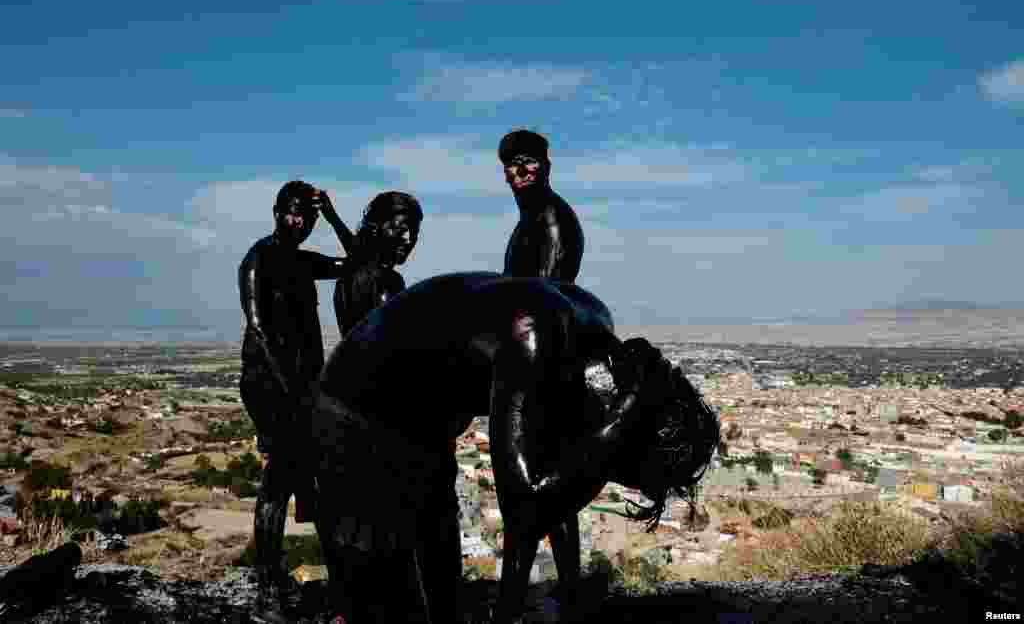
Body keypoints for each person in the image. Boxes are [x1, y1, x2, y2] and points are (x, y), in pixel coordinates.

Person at [310, 272, 719, 623]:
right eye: (619, 467)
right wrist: (615, 431)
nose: (607, 475)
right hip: (355, 413)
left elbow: (548, 495)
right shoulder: (538, 333)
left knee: (439, 567)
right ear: (627, 433)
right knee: (384, 588)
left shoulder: (592, 340)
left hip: (419, 421)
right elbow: (525, 506)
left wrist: (516, 607)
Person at [237, 180, 349, 604]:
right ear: (277, 210)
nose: (300, 221)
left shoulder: (303, 262)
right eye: (293, 211)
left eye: (309, 215)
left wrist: (335, 214)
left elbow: (357, 261)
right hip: (271, 385)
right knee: (281, 477)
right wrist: (288, 391)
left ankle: (323, 573)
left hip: (303, 386)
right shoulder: (257, 260)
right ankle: (266, 576)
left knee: (310, 477)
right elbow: (260, 329)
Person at [332, 191, 423, 338]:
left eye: (414, 233)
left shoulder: (392, 280)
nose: (409, 239)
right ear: (375, 228)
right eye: (401, 229)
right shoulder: (360, 278)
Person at [499, 129, 584, 283]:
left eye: (529, 162)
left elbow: (548, 289)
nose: (521, 170)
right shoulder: (527, 222)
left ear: (547, 167)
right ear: (506, 174)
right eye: (513, 164)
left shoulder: (554, 219)